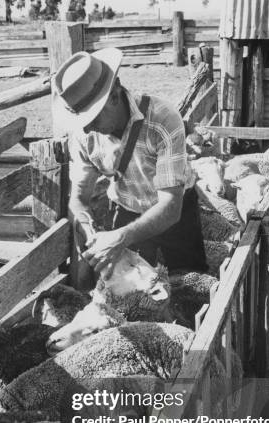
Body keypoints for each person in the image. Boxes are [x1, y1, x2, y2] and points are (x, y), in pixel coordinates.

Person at [52, 48, 208, 285]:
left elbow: (171, 206)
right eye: (82, 120)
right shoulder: (84, 137)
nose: (86, 128)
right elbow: (78, 199)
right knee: (130, 299)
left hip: (176, 217)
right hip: (126, 212)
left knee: (190, 287)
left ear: (115, 95)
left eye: (93, 117)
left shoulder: (162, 120)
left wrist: (121, 237)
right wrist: (89, 230)